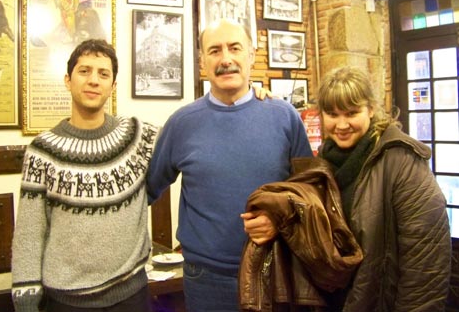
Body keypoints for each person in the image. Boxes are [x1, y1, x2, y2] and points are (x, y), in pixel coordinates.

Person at [247, 66, 451, 311]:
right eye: (332, 114)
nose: (341, 125)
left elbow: (426, 261)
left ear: (371, 109)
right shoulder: (324, 161)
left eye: (352, 113)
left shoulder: (402, 162)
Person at [146, 18, 313, 312]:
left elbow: (310, 193)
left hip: (275, 271)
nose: (226, 59)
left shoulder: (285, 116)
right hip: (206, 280)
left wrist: (281, 220)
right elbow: (147, 188)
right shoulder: (182, 123)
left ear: (251, 55)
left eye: (235, 48)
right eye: (214, 51)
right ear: (202, 62)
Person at [11, 39, 159, 312]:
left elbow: (188, 139)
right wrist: (26, 296)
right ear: (68, 80)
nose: (94, 80)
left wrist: (257, 97)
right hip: (67, 301)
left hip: (131, 295)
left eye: (103, 74)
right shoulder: (42, 151)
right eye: (84, 71)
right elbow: (30, 232)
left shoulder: (139, 136)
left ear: (113, 86)